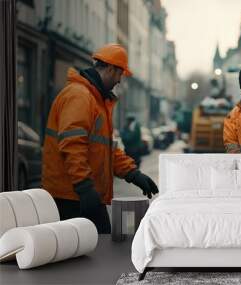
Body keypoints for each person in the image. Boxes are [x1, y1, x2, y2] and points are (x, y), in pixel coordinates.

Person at [42, 43, 158, 234]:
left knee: (98, 249)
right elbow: (72, 146)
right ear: (111, 69)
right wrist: (84, 186)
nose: (120, 80)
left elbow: (107, 150)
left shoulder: (96, 100)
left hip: (83, 194)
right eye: (120, 74)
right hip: (71, 197)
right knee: (94, 250)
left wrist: (133, 174)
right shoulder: (80, 96)